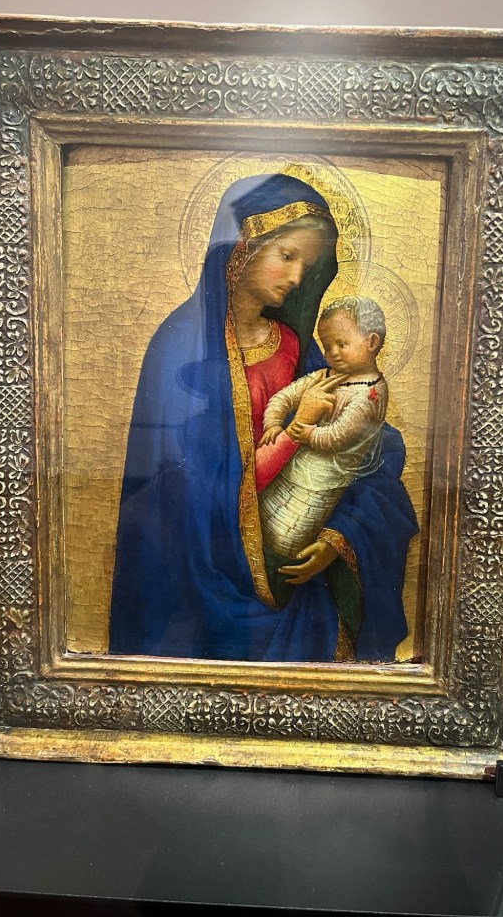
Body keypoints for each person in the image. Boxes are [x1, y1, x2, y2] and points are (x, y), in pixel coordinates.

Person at [108, 174, 418, 663]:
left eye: (306, 266)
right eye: (287, 256)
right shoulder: (180, 347)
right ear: (241, 247)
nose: (296, 277)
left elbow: (365, 447)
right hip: (203, 572)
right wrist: (294, 433)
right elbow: (186, 488)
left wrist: (338, 537)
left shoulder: (295, 346)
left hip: (295, 567)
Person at [259, 295, 389, 561]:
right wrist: (273, 422)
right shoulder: (324, 375)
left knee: (286, 543)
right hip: (288, 472)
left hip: (319, 487)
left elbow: (339, 436)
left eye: (341, 344)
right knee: (261, 527)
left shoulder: (371, 393)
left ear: (372, 342)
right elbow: (285, 397)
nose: (332, 354)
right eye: (327, 347)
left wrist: (306, 432)